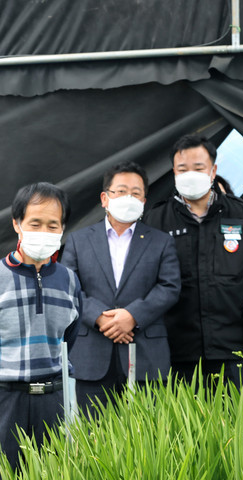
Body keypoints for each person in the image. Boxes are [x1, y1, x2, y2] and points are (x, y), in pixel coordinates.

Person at [0, 182, 81, 469]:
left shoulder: (70, 281)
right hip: (1, 401)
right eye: (35, 223)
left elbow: (68, 340)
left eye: (53, 225)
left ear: (63, 228)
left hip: (54, 401)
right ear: (17, 223)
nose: (44, 232)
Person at [143, 134, 243, 393]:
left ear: (213, 170)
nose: (190, 174)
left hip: (231, 347)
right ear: (174, 172)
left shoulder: (241, 214)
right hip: (175, 349)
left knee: (237, 426)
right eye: (183, 169)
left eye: (199, 168)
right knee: (179, 429)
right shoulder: (157, 219)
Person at [62, 161, 180, 417]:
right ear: (105, 198)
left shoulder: (161, 242)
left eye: (136, 193)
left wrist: (132, 317)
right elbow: (67, 288)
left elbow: (170, 287)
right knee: (92, 438)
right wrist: (100, 318)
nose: (129, 197)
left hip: (145, 355)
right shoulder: (78, 240)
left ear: (144, 200)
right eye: (121, 191)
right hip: (91, 355)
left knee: (145, 439)